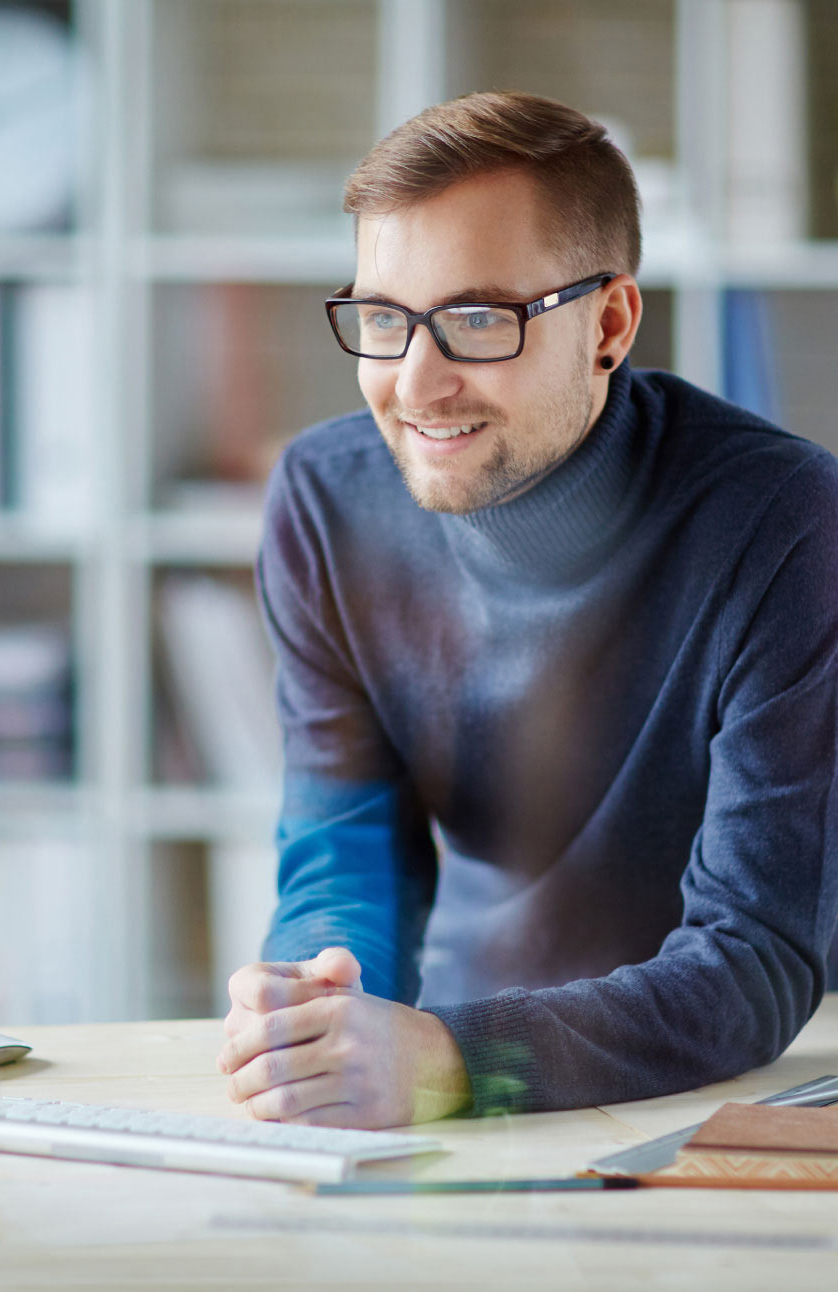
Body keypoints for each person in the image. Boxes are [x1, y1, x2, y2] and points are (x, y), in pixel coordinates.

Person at [216, 91, 838, 1128]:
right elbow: (344, 837)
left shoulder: (786, 524)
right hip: (452, 1054)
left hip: (723, 1087)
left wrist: (452, 1061)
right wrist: (321, 997)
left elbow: (757, 958)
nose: (415, 383)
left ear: (607, 324)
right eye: (381, 319)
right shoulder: (323, 498)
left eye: (474, 319)